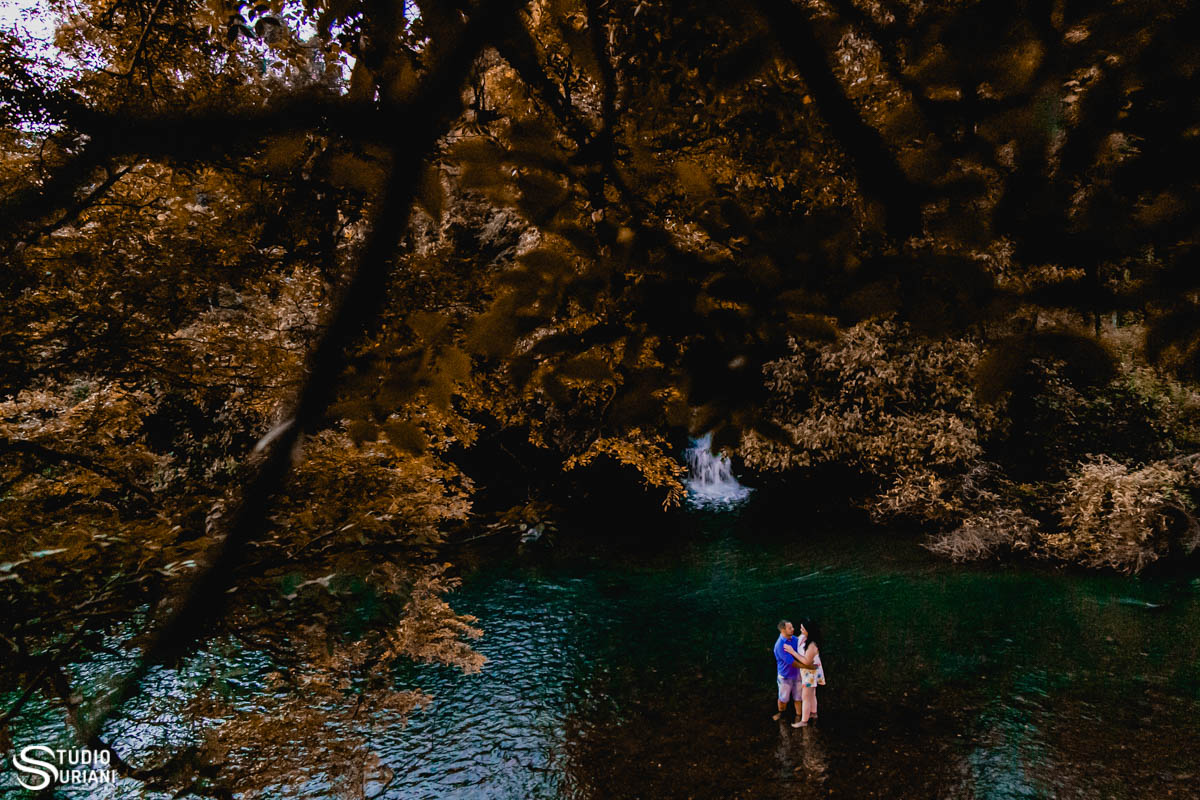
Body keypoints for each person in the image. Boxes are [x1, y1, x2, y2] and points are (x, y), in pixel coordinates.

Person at [783, 619, 825, 727]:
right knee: (812, 694)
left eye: (803, 628)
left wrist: (792, 652)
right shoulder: (803, 637)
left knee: (805, 697)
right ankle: (814, 713)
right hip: (807, 670)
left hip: (810, 672)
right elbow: (796, 640)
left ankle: (804, 721)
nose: (800, 630)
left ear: (809, 631)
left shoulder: (812, 646)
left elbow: (806, 661)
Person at [773, 620, 803, 721]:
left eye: (792, 627)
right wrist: (806, 666)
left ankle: (799, 717)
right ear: (783, 630)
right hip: (785, 676)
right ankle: (782, 714)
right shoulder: (780, 645)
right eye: (790, 628)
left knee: (799, 697)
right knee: (783, 698)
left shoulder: (794, 639)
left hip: (797, 674)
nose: (793, 629)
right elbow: (792, 662)